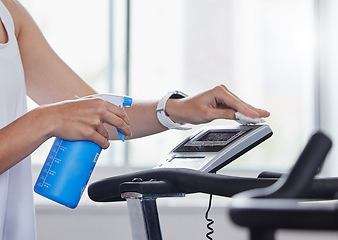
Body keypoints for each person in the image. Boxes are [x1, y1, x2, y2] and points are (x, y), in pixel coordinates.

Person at [0, 0, 270, 239]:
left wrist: (176, 109)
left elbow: (97, 113)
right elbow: (60, 115)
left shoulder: (10, 15)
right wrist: (45, 120)